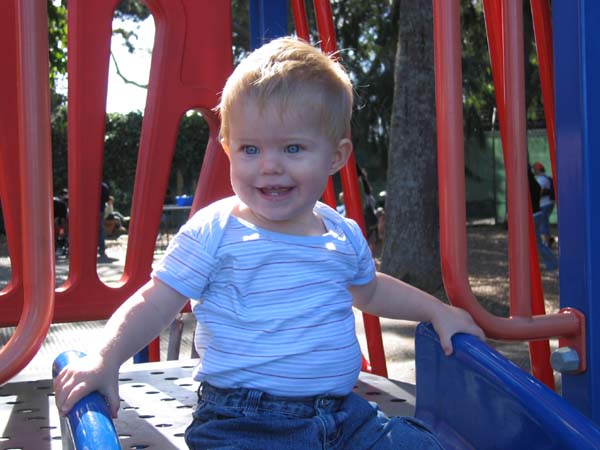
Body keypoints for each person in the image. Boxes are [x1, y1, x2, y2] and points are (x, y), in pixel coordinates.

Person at [54, 37, 484, 450]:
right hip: (242, 423)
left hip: (342, 419)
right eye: (250, 149)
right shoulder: (216, 230)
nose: (270, 167)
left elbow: (371, 290)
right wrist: (105, 359)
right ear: (228, 149)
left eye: (293, 148)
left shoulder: (340, 232)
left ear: (336, 157)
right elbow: (155, 302)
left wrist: (436, 311)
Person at [528, 164, 558, 271]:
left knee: (542, 234)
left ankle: (552, 261)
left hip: (540, 209)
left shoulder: (539, 180)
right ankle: (549, 243)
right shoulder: (539, 180)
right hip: (541, 209)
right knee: (543, 229)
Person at [532, 162, 555, 247]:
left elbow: (539, 191)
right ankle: (548, 240)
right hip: (548, 203)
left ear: (537, 170)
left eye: (534, 169)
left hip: (545, 204)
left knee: (543, 224)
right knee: (544, 223)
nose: (533, 171)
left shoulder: (541, 179)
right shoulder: (545, 177)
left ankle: (546, 242)